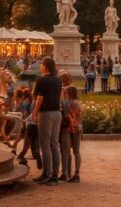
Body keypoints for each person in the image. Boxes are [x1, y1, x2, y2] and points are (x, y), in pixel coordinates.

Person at [32, 57, 63, 185]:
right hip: (57, 112)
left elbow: (39, 97)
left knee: (44, 144)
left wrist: (35, 111)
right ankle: (55, 175)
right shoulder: (58, 80)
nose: (40, 66)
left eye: (41, 65)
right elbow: (60, 97)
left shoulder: (41, 80)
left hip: (46, 113)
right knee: (54, 144)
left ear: (45, 66)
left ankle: (47, 173)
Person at [60, 85, 82, 182]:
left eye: (65, 92)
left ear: (69, 93)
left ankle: (65, 173)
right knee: (76, 151)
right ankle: (76, 174)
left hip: (68, 129)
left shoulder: (67, 103)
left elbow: (66, 116)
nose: (64, 94)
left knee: (66, 152)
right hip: (77, 128)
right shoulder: (78, 102)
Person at [15, 87, 41, 169]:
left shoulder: (32, 102)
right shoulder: (33, 101)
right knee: (34, 144)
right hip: (36, 124)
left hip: (30, 124)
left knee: (27, 142)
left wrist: (26, 120)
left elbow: (31, 113)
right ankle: (37, 158)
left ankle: (21, 155)